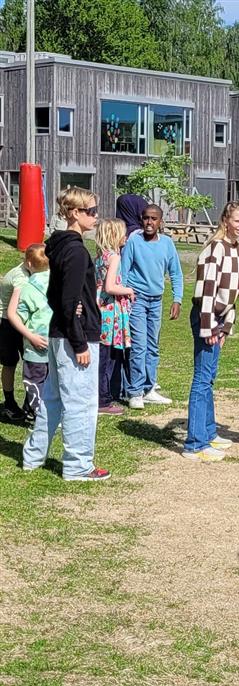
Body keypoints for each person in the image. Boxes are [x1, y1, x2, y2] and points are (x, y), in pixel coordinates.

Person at [22, 186, 110, 481]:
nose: (96, 216)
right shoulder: (74, 251)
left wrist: (72, 318)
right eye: (91, 211)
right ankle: (78, 465)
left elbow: (54, 297)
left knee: (53, 399)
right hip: (74, 337)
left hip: (62, 333)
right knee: (81, 403)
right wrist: (79, 341)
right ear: (74, 213)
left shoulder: (58, 246)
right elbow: (67, 301)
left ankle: (33, 457)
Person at [182, 201, 239, 462]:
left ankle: (208, 432)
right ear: (225, 220)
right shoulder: (215, 249)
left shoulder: (236, 249)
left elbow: (231, 292)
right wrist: (208, 326)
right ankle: (194, 444)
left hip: (219, 318)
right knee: (202, 379)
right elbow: (207, 290)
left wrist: (227, 325)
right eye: (237, 221)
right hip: (205, 316)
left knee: (209, 377)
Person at [120, 204, 182, 409]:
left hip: (157, 300)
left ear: (160, 222)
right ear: (141, 219)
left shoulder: (167, 244)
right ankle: (135, 391)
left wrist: (177, 299)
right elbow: (124, 270)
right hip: (136, 299)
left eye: (154, 219)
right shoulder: (133, 242)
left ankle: (149, 388)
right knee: (139, 345)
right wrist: (125, 295)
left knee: (153, 345)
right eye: (146, 218)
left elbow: (175, 273)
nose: (149, 222)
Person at [94, 218, 134, 415]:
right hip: (110, 312)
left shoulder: (100, 256)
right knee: (107, 357)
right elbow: (110, 287)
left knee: (102, 356)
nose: (125, 236)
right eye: (122, 232)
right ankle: (103, 399)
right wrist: (128, 289)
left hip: (99, 310)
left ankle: (100, 396)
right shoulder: (114, 258)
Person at [6, 244, 50, 422]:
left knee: (34, 381)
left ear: (29, 264)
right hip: (56, 343)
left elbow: (15, 316)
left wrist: (30, 336)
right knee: (50, 382)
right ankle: (48, 414)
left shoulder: (28, 288)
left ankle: (37, 413)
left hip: (35, 346)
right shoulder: (59, 281)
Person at [0, 252, 31, 421]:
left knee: (29, 362)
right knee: (10, 363)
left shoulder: (26, 269)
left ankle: (28, 403)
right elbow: (15, 310)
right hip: (7, 323)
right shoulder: (21, 278)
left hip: (18, 322)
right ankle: (10, 404)